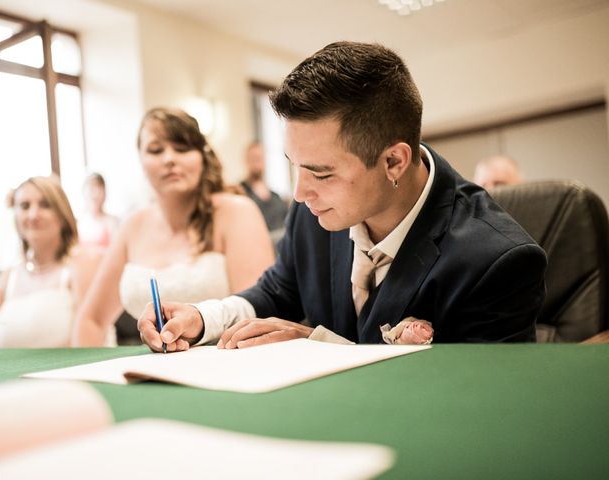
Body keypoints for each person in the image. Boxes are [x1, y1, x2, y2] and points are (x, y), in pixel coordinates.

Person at [138, 42, 547, 352]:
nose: (299, 193)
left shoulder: (498, 260)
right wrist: (202, 317)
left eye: (321, 172)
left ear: (393, 162)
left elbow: (477, 403)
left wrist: (320, 348)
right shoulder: (316, 209)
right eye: (294, 166)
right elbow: (277, 292)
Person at [75, 107, 275, 346]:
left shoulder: (237, 213)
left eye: (182, 148)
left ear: (202, 157)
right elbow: (91, 320)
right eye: (156, 150)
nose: (169, 159)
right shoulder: (132, 226)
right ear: (140, 160)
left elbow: (256, 317)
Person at [0, 176, 103, 347]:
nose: (33, 215)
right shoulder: (8, 276)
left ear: (62, 214)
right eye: (25, 206)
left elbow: (89, 341)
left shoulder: (81, 265)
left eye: (45, 205)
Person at [240, 142, 289, 243]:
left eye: (261, 158)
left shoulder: (276, 197)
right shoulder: (240, 194)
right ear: (246, 160)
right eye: (254, 158)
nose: (258, 162)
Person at [78, 172, 119, 249]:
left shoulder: (112, 221)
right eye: (91, 188)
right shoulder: (78, 223)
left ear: (104, 193)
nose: (95, 194)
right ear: (84, 192)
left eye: (99, 188)